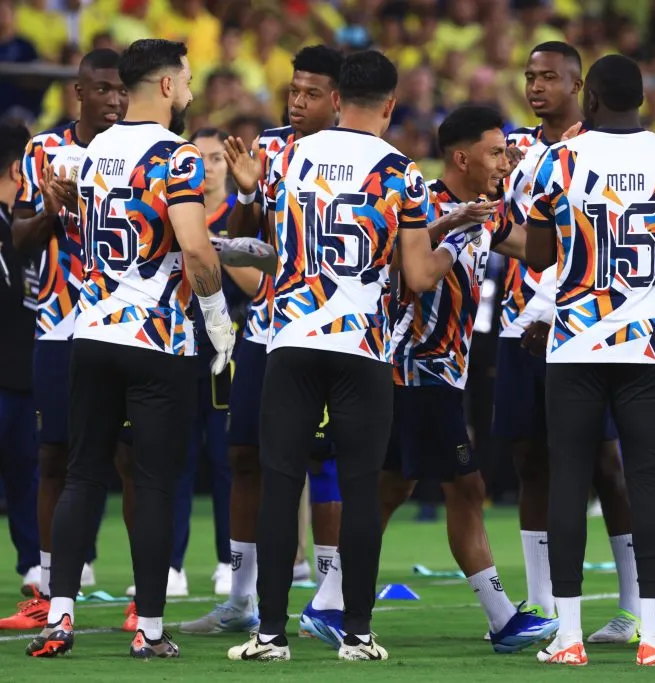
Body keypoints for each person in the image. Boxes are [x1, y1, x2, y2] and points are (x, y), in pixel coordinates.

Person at [226, 49, 475, 663]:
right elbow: (418, 276)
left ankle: (270, 635)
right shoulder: (403, 173)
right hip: (362, 347)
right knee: (362, 487)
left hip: (291, 337)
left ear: (336, 100)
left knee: (282, 483)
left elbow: (254, 226)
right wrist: (457, 239)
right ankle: (359, 635)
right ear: (390, 106)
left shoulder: (285, 154)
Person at [28, 38, 235, 659]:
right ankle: (147, 628)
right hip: (158, 337)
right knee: (152, 481)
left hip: (88, 333)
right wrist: (218, 320)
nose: (193, 88)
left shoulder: (88, 152)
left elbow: (68, 217)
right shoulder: (177, 157)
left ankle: (59, 614)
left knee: (83, 474)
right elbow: (196, 248)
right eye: (189, 78)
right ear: (168, 86)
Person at [525, 53, 655, 667]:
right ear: (643, 101)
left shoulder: (559, 159)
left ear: (590, 99)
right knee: (647, 481)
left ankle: (567, 635)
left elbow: (539, 256)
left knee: (569, 482)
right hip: (645, 347)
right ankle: (652, 636)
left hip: (574, 342)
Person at [182, 45, 346, 638]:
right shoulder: (270, 149)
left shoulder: (366, 158)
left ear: (337, 99)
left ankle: (330, 595)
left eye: (309, 93)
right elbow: (245, 242)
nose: (295, 102)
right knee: (243, 454)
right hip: (267, 326)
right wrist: (249, 195)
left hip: (329, 332)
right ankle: (241, 597)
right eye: (291, 91)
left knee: (322, 462)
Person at [380, 105, 558, 652]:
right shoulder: (423, 205)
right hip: (415, 367)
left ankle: (330, 598)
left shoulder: (487, 211)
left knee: (390, 488)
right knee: (467, 486)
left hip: (440, 372)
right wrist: (452, 230)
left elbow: (536, 247)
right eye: (496, 152)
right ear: (462, 157)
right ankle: (504, 618)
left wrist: (544, 188)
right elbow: (395, 268)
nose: (505, 160)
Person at [498, 40, 642, 643]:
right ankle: (542, 606)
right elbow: (517, 239)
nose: (536, 87)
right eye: (530, 76)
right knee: (531, 458)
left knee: (607, 465)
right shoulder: (516, 149)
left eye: (550, 77)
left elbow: (579, 247)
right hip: (516, 323)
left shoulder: (598, 151)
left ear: (579, 87)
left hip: (583, 326)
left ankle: (633, 606)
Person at [3, 48, 137, 632]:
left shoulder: (141, 151)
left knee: (131, 461)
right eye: (102, 89)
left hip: (127, 324)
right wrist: (53, 211)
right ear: (78, 92)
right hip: (58, 324)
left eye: (120, 91)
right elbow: (19, 241)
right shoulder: (44, 152)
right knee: (52, 456)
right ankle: (50, 585)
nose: (113, 100)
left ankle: (144, 591)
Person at [170, 128, 261, 595]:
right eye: (199, 159)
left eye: (215, 159)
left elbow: (257, 286)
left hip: (228, 347)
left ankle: (229, 560)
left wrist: (210, 247)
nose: (207, 168)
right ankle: (172, 566)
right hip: (179, 341)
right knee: (173, 454)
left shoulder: (241, 217)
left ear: (229, 166)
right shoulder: (174, 210)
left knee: (227, 456)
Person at [0, 122, 39, 617]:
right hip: (9, 377)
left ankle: (37, 578)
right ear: (17, 168)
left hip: (21, 381)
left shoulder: (24, 229)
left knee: (28, 476)